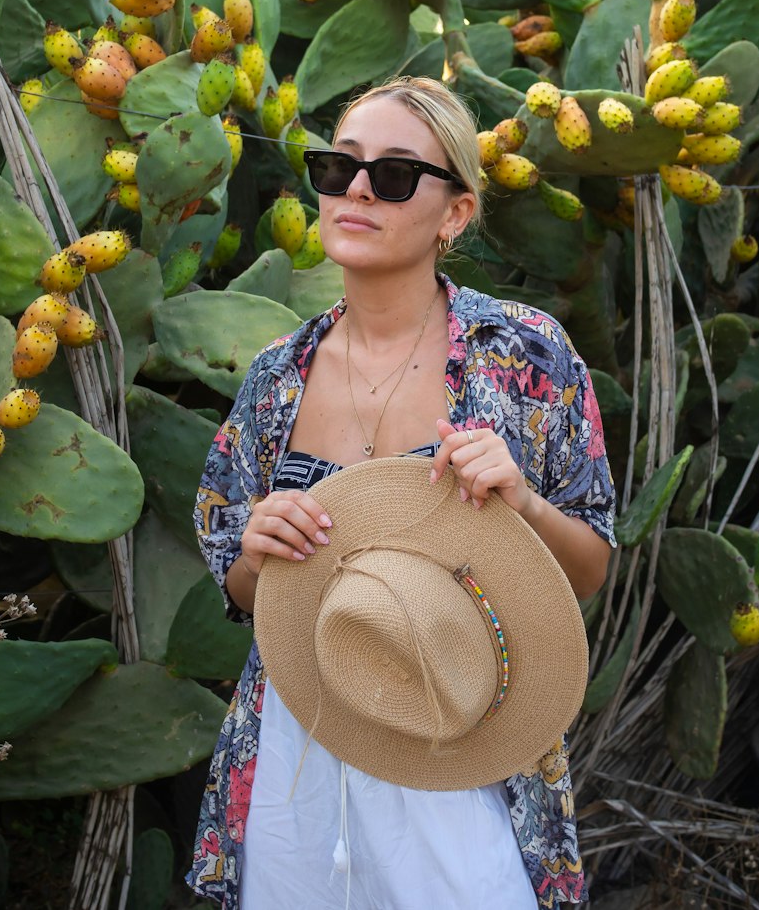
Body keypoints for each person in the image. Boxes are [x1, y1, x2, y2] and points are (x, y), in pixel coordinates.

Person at [187, 76, 616, 909]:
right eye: (337, 165)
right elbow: (239, 587)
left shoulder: (523, 356)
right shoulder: (277, 377)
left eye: (391, 175)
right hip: (297, 743)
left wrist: (524, 504)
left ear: (454, 212)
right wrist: (257, 548)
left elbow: (591, 565)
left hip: (463, 746)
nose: (354, 189)